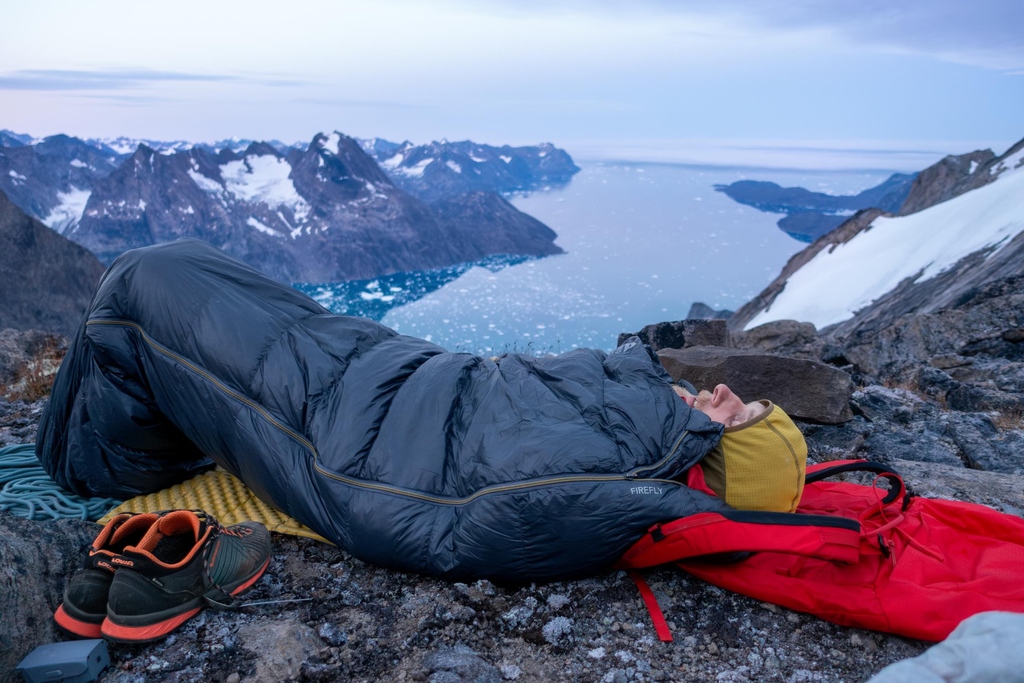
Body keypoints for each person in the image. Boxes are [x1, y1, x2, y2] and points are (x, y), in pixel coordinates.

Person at [37, 239, 805, 582]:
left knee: (137, 285)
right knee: (184, 267)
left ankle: (93, 457)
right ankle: (158, 418)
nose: (728, 394)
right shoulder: (650, 430)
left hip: (351, 435)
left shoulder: (634, 478)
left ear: (722, 455)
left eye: (742, 416)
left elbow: (478, 511)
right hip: (396, 373)